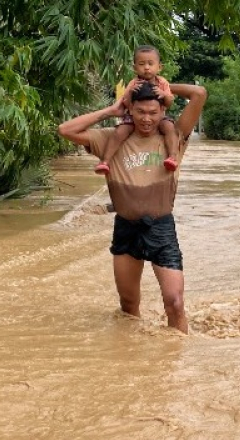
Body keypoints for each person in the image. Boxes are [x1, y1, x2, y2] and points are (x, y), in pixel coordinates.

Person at [58, 80, 207, 333]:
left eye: (153, 112)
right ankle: (129, 358)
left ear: (162, 113)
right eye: (140, 112)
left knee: (175, 302)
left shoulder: (174, 137)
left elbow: (199, 93)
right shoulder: (111, 139)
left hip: (161, 229)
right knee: (128, 304)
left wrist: (163, 87)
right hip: (126, 229)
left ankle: (177, 360)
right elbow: (65, 129)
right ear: (130, 110)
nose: (146, 119)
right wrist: (110, 111)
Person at [94, 45, 180, 175]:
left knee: (169, 128)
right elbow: (127, 104)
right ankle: (105, 162)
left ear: (159, 67)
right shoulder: (133, 83)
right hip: (133, 117)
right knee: (119, 132)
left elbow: (169, 103)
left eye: (150, 64)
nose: (146, 67)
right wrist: (129, 94)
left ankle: (172, 157)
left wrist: (164, 94)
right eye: (141, 64)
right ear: (135, 68)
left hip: (159, 118)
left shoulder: (162, 83)